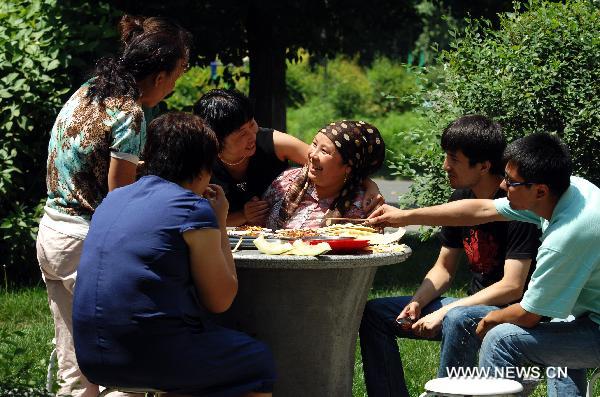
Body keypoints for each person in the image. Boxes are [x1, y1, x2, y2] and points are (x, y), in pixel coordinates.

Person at [367, 132, 600, 397]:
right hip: (583, 314)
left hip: (591, 326)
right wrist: (404, 217)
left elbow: (529, 314)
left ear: (540, 191)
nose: (502, 186)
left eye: (511, 182)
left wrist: (492, 319)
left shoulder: (565, 237)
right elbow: (479, 210)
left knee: (501, 339)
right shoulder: (571, 190)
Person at [35, 15, 191, 397]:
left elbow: (92, 162)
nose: (173, 87)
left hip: (53, 234)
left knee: (77, 371)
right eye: (177, 75)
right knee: (127, 370)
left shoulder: (89, 90)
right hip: (87, 245)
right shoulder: (130, 112)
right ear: (159, 76)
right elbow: (121, 197)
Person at [73, 112, 276, 397]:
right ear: (205, 169)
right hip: (145, 357)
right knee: (257, 361)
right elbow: (220, 300)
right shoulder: (192, 209)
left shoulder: (114, 198)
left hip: (91, 357)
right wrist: (219, 220)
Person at [359, 115, 541, 397]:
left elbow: (512, 287)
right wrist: (418, 302)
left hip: (512, 315)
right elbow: (443, 269)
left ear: (483, 165)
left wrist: (445, 311)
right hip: (469, 306)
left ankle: (448, 394)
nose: (445, 166)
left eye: (454, 159)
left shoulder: (517, 205)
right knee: (374, 314)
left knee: (458, 318)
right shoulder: (460, 200)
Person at [193, 89, 384, 226]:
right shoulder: (198, 163)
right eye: (241, 133)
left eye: (252, 124)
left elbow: (335, 165)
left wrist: (370, 186)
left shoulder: (275, 143)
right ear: (216, 139)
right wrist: (242, 215)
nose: (252, 136)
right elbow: (193, 217)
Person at [262, 120, 386, 229]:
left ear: (347, 167)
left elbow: (371, 248)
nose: (312, 155)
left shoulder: (363, 206)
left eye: (324, 151)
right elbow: (258, 228)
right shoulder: (286, 180)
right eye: (315, 144)